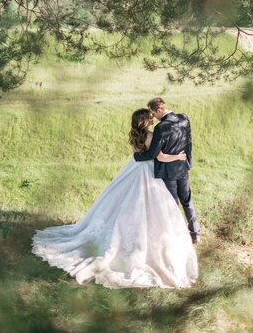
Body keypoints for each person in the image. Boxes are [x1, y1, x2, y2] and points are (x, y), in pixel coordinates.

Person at [32, 108, 198, 288]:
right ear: (144, 121)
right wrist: (178, 156)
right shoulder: (151, 136)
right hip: (148, 172)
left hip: (133, 169)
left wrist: (141, 155)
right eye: (149, 119)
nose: (152, 120)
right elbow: (158, 156)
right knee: (150, 205)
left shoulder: (134, 135)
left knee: (123, 201)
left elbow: (137, 155)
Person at [134, 97, 200, 243]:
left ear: (159, 110)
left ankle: (178, 235)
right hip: (183, 167)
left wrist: (136, 158)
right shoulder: (184, 118)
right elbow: (188, 142)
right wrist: (187, 161)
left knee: (172, 204)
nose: (153, 117)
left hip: (167, 171)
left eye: (153, 114)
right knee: (187, 201)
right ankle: (196, 233)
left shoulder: (161, 128)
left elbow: (152, 154)